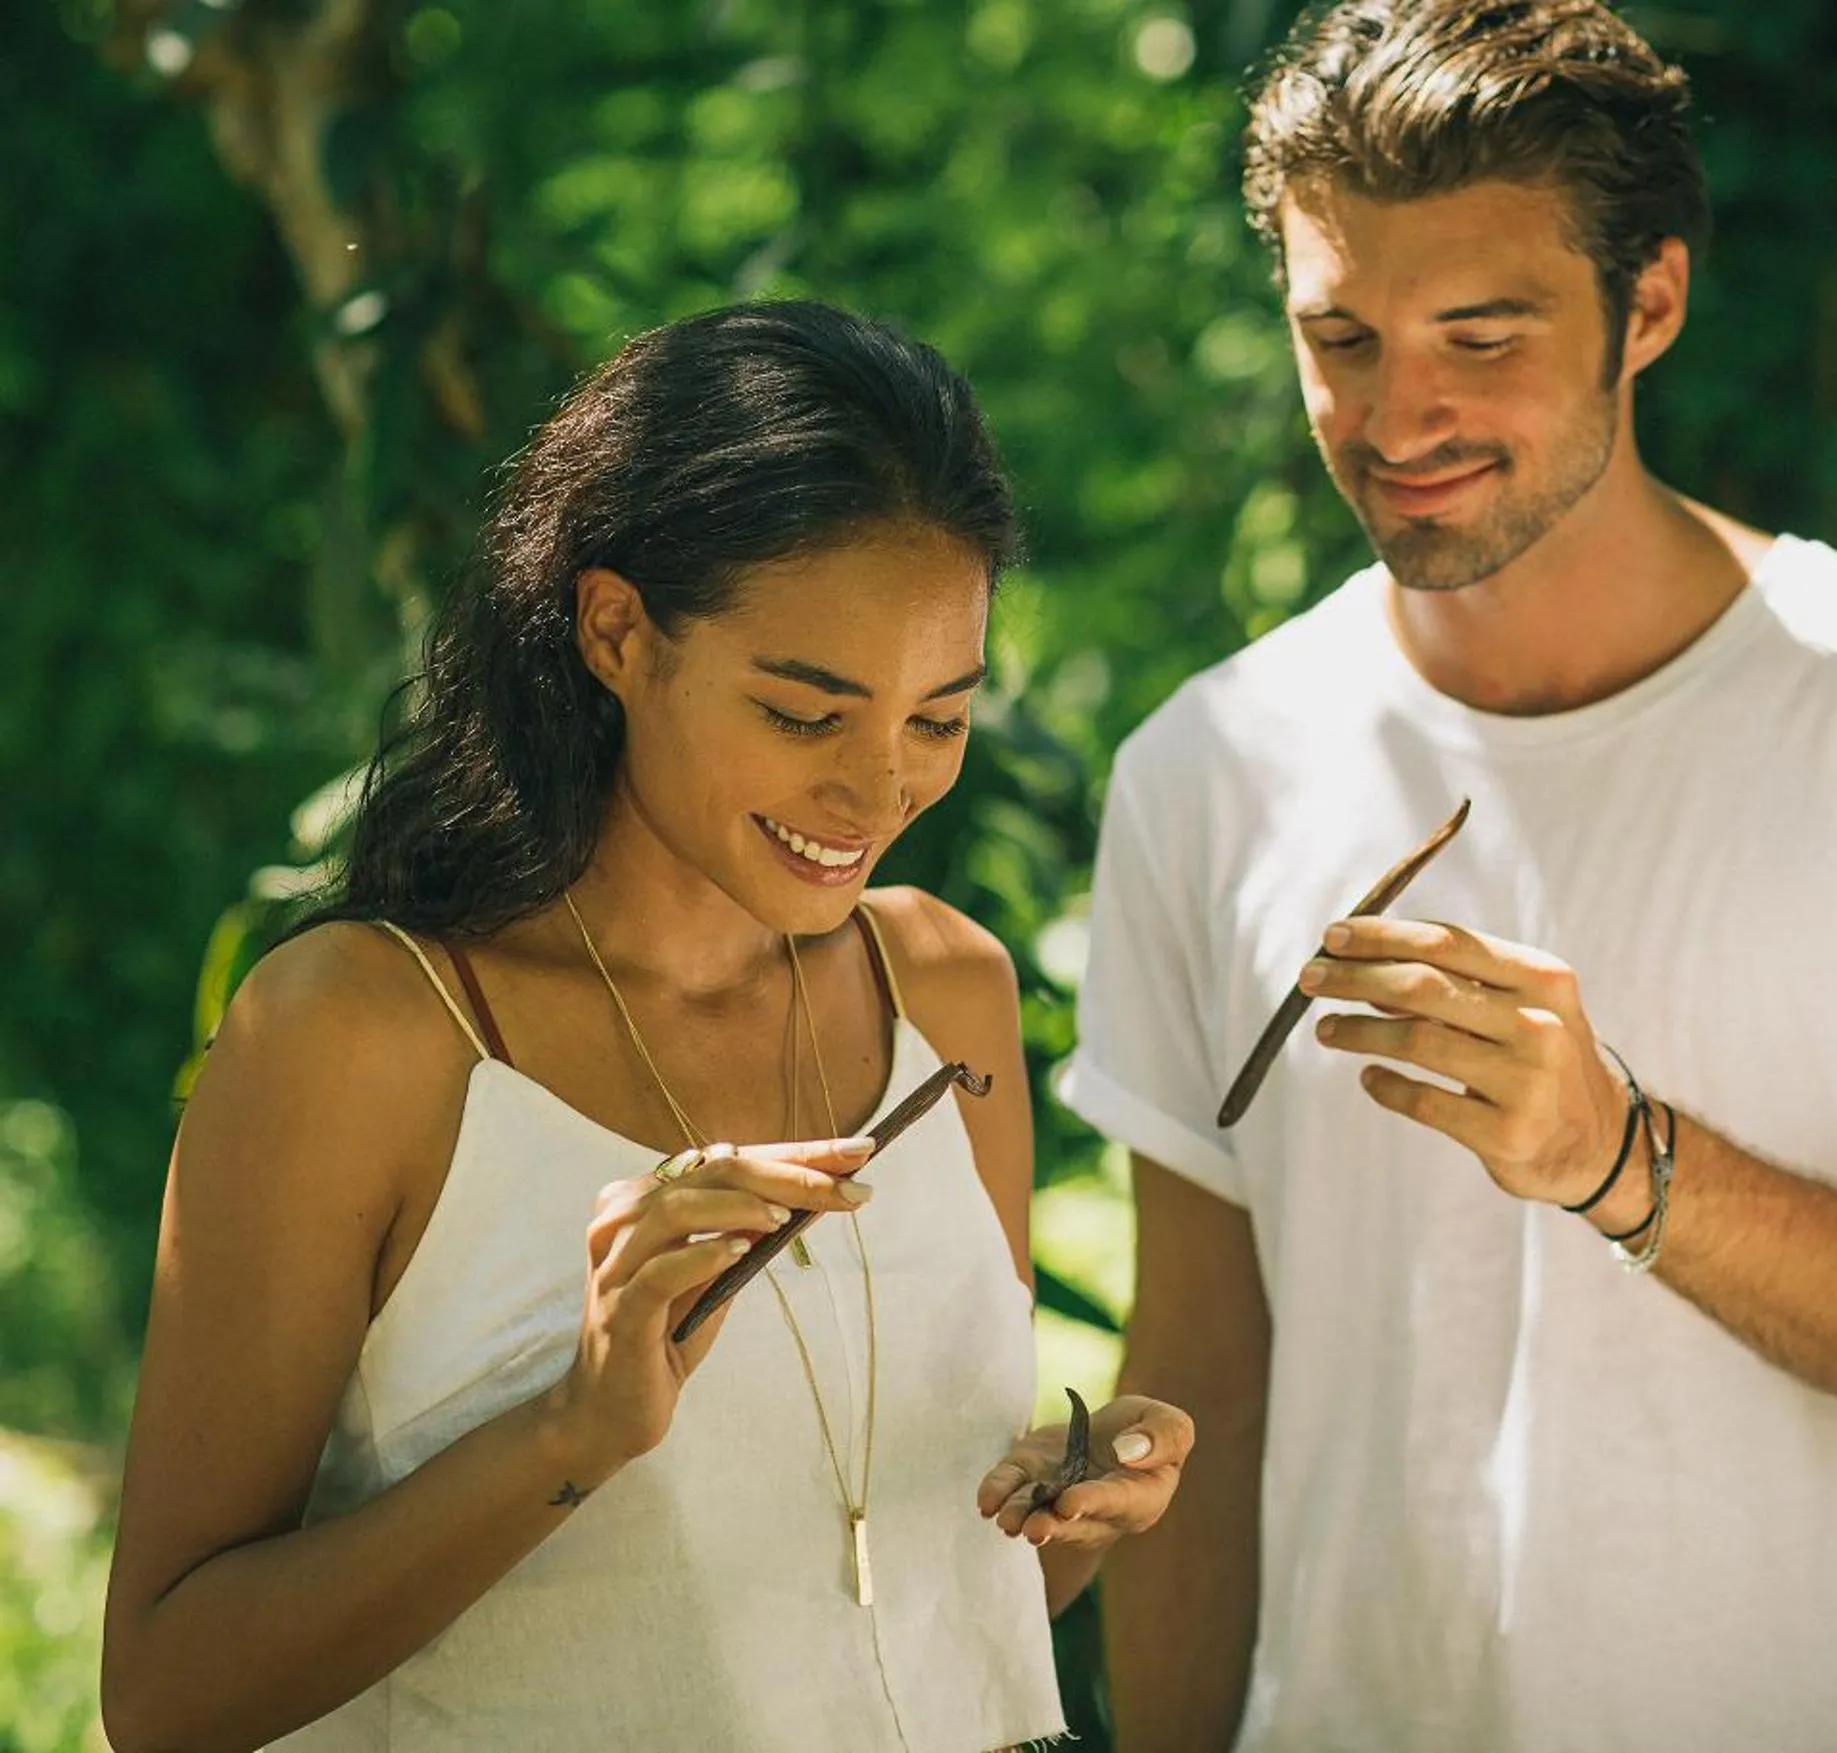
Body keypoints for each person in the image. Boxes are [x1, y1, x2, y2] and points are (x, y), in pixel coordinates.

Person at [1063, 4, 1837, 1748]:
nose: (1400, 412)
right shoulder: (1206, 769)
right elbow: (1203, 1389)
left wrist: (1623, 1165)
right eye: (1341, 336)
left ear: (1651, 305)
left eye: (1481, 334)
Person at [98, 301, 1192, 1753]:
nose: (879, 796)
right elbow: (169, 1697)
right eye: (807, 717)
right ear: (617, 630)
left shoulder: (949, 992)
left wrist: (1081, 1499)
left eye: (938, 719)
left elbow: (920, 1608)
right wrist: (570, 1433)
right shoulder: (367, 1037)